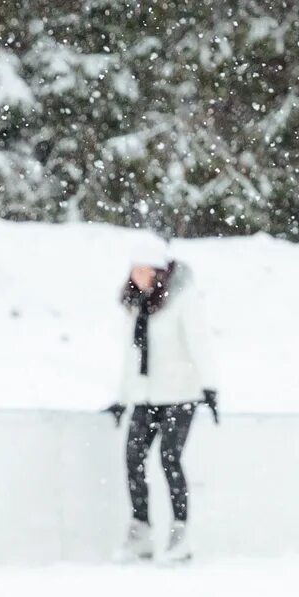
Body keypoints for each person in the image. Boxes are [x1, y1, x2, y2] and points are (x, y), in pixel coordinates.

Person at [107, 234, 214, 564]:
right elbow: (132, 357)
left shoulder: (183, 300)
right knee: (133, 458)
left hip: (181, 394)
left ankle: (180, 534)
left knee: (170, 459)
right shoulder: (138, 307)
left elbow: (199, 344)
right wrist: (122, 399)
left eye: (144, 270)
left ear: (160, 271)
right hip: (145, 396)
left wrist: (210, 387)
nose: (137, 277)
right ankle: (140, 530)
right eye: (134, 270)